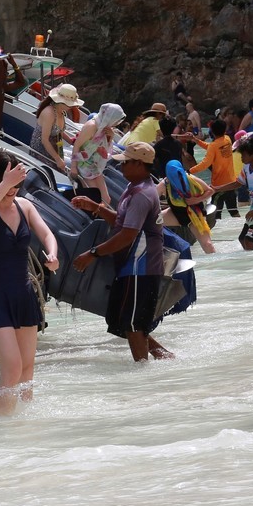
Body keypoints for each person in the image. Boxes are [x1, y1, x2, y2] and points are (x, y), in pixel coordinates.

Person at [0, 151, 60, 413]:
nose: (13, 190)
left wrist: (52, 254)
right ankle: (1, 425)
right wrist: (4, 184)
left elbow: (47, 234)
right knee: (11, 368)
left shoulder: (25, 206)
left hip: (23, 294)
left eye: (17, 184)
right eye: (7, 183)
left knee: (27, 368)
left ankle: (23, 423)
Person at [72, 142, 174, 362]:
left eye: (126, 162)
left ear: (139, 164)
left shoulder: (142, 195)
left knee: (133, 323)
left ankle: (143, 372)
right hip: (132, 266)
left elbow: (127, 235)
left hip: (141, 267)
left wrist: (93, 254)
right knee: (124, 321)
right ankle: (164, 358)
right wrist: (97, 207)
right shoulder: (133, 188)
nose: (122, 167)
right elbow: (121, 223)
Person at [212, 138, 253, 251]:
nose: (241, 158)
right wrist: (217, 189)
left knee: (248, 239)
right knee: (242, 239)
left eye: (244, 155)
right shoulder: (246, 168)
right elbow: (237, 183)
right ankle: (251, 261)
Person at [70, 102, 125, 205]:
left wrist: (111, 137)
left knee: (106, 199)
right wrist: (73, 167)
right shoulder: (92, 126)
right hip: (83, 165)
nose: (117, 123)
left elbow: (105, 147)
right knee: (95, 199)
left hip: (94, 166)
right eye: (116, 120)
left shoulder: (103, 127)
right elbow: (77, 145)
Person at [158, 160, 216, 254]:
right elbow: (152, 197)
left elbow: (210, 191)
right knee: (151, 222)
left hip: (195, 215)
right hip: (176, 214)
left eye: (178, 173)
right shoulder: (165, 183)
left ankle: (214, 262)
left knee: (207, 244)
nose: (176, 176)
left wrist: (197, 199)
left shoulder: (191, 178)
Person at [186, 118, 239, 220]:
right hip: (231, 183)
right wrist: (195, 139)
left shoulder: (214, 146)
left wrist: (189, 171)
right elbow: (211, 147)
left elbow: (205, 164)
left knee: (214, 214)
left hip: (219, 186)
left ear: (212, 132)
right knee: (234, 212)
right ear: (224, 130)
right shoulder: (227, 139)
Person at [30, 83, 82, 172]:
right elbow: (44, 140)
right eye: (69, 104)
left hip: (55, 147)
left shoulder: (61, 111)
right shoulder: (49, 113)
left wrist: (71, 141)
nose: (71, 106)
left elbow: (59, 131)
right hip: (42, 150)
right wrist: (57, 159)